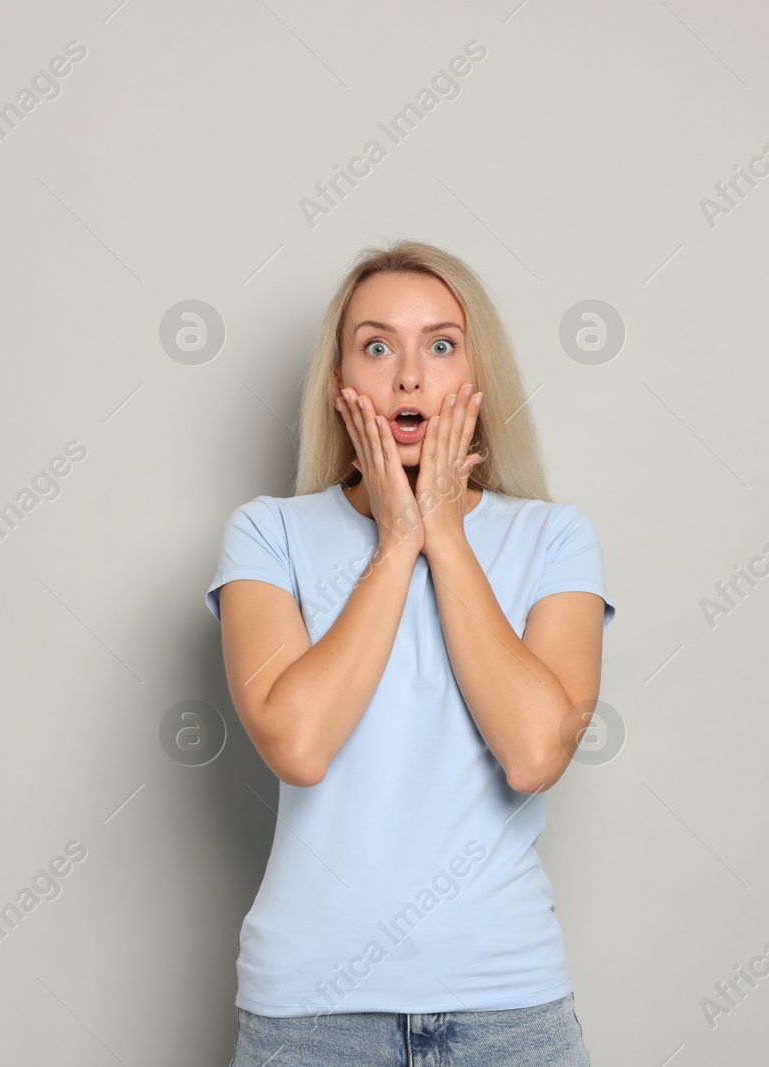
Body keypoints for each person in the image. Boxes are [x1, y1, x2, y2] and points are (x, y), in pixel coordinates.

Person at [205, 239, 614, 1065]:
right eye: (378, 345)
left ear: (475, 376)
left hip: (507, 1012)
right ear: (340, 384)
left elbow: (535, 753)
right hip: (311, 1016)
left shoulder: (552, 537)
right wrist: (396, 543)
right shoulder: (268, 533)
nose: (410, 377)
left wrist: (445, 536)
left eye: (440, 344)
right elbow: (300, 743)